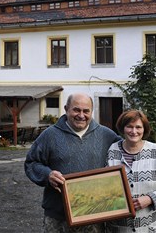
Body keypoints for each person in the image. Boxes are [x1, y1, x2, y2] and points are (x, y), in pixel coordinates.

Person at [24, 92, 122, 232]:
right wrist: (48, 175)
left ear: (91, 112)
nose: (81, 115)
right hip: (58, 215)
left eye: (86, 111)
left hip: (94, 214)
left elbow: (129, 150)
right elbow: (31, 163)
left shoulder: (107, 135)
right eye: (76, 109)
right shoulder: (50, 135)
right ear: (66, 109)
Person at [106, 109, 156, 233]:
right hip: (120, 228)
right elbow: (104, 183)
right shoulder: (113, 150)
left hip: (150, 227)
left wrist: (150, 199)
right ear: (123, 128)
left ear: (144, 129)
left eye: (138, 127)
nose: (134, 131)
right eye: (129, 127)